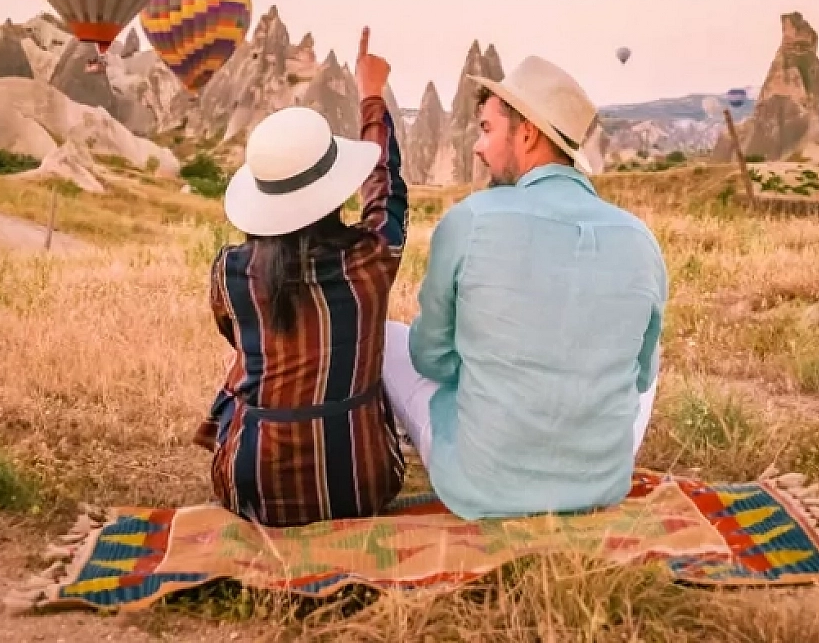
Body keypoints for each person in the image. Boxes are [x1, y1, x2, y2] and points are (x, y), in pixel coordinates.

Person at [382, 55, 668, 519]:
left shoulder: (469, 220)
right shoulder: (641, 239)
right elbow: (638, 377)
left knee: (383, 339)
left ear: (529, 133)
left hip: (482, 486)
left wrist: (489, 364)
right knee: (647, 358)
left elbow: (428, 357)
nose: (477, 146)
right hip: (602, 482)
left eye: (487, 129)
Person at [193, 28, 408, 526]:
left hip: (255, 492)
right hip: (362, 486)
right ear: (333, 190)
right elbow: (388, 188)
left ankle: (220, 433)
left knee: (250, 362)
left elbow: (237, 338)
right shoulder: (372, 260)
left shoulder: (232, 272)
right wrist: (371, 95)